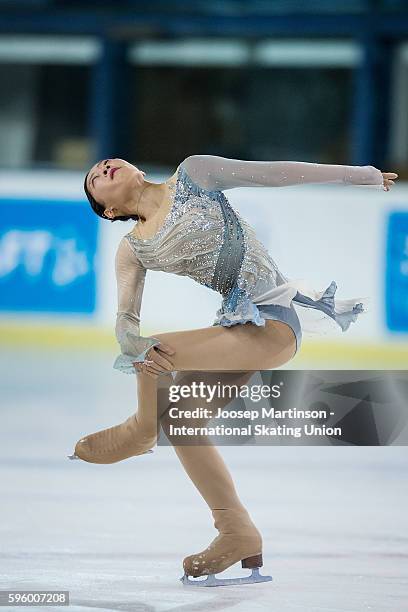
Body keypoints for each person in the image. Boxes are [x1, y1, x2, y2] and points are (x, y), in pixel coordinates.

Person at [68, 155, 397, 585]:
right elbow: (126, 322)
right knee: (182, 418)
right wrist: (129, 340)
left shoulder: (195, 175)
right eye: (94, 178)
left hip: (273, 322)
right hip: (238, 326)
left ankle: (141, 432)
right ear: (109, 210)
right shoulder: (132, 249)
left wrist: (359, 175)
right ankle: (236, 531)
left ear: (137, 169)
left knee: (158, 354)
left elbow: (274, 173)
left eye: (107, 162)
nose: (103, 168)